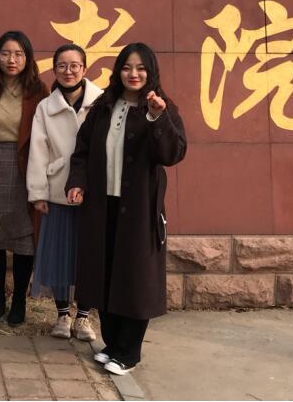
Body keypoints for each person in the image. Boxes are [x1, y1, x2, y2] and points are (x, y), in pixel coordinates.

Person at [65, 42, 187, 376]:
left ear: (151, 72)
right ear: (118, 71)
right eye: (127, 67)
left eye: (141, 68)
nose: (134, 74)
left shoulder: (160, 107)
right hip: (102, 205)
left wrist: (157, 117)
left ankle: (129, 352)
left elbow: (172, 153)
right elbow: (83, 149)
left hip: (138, 210)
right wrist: (77, 182)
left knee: (135, 279)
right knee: (103, 274)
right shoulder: (105, 105)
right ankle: (113, 345)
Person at [27, 44, 102, 341]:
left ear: (84, 68)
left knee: (89, 256)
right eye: (62, 65)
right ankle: (62, 315)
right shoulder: (46, 107)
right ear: (54, 69)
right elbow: (38, 150)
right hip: (58, 188)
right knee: (59, 255)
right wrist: (38, 193)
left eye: (74, 65)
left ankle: (83, 317)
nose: (68, 71)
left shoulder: (101, 102)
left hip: (93, 192)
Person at [0, 30, 49, 326]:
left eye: (18, 54)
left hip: (26, 165)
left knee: (23, 238)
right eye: (5, 53)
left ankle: (19, 300)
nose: (12, 60)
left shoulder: (38, 92)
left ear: (28, 58)